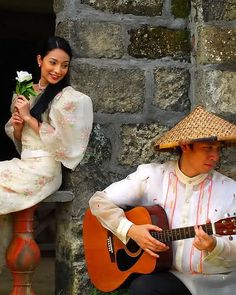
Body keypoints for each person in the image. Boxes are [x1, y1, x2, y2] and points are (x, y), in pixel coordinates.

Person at [89, 106, 236, 295]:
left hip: (217, 284)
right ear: (185, 146)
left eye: (218, 149)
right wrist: (131, 230)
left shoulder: (230, 190)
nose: (215, 156)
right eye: (207, 148)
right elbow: (99, 201)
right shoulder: (152, 176)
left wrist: (214, 246)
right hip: (172, 277)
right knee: (143, 288)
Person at [0, 36, 93, 269]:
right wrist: (19, 124)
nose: (58, 70)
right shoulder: (25, 92)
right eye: (53, 62)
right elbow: (19, 139)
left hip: (46, 168)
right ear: (40, 60)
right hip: (24, 162)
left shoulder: (68, 98)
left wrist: (30, 118)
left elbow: (63, 142)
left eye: (64, 65)